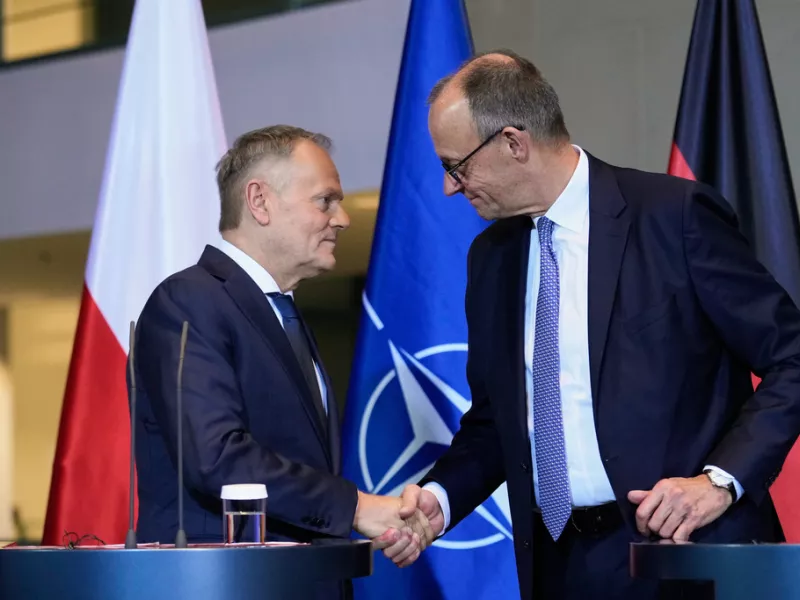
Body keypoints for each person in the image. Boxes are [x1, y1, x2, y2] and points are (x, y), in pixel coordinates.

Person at [379, 50, 800, 599]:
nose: (450, 187)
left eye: (456, 166)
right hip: (557, 567)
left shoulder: (672, 216)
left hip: (687, 554)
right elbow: (497, 424)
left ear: (513, 142)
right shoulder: (491, 258)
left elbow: (791, 357)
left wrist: (719, 481)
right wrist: (441, 497)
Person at [131, 126, 429, 599]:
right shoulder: (189, 300)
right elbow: (217, 457)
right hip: (229, 585)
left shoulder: (281, 313)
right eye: (325, 201)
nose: (342, 219)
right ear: (260, 201)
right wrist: (354, 508)